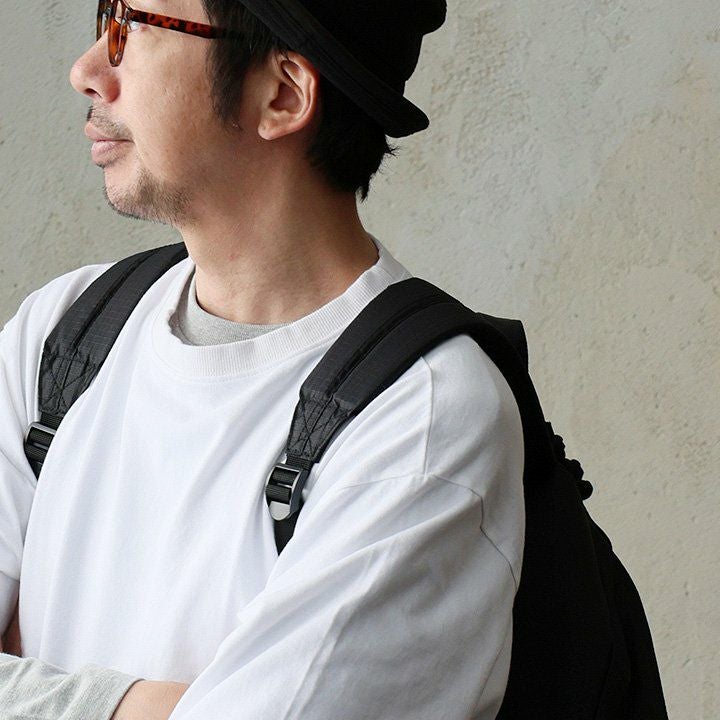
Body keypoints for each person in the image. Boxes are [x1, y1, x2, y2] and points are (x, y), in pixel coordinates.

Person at [0, 1, 525, 718]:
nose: (87, 70)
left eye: (135, 27)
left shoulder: (423, 415)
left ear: (282, 95)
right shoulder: (62, 332)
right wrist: (168, 705)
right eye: (105, 14)